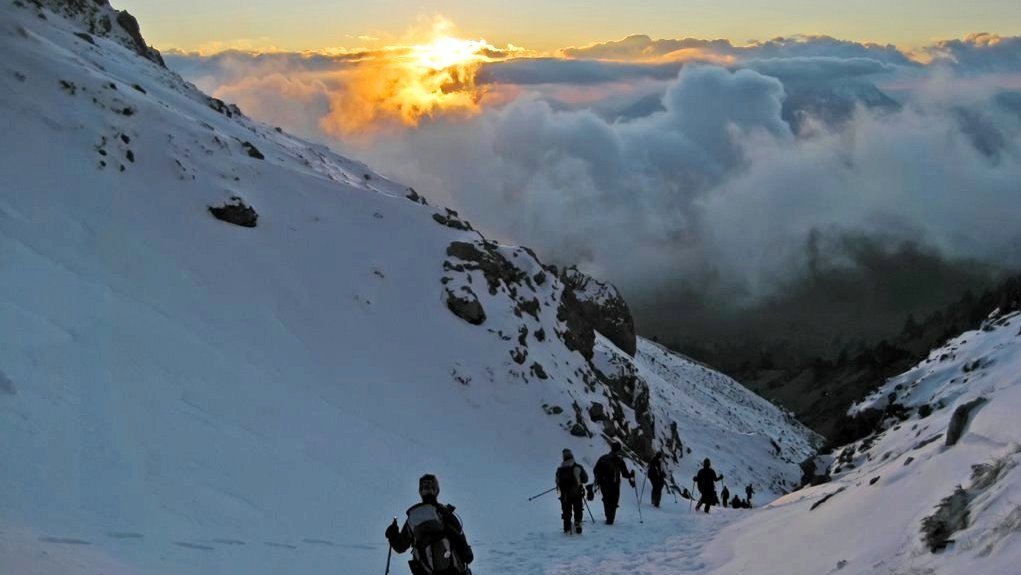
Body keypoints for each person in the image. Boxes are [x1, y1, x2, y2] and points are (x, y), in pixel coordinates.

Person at [385, 474, 474, 575]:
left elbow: (400, 546)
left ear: (420, 491)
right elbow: (467, 555)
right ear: (436, 490)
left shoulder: (413, 518)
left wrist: (392, 534)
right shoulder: (445, 513)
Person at [593, 441, 636, 524]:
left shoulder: (603, 458)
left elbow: (595, 470)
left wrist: (599, 480)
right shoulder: (619, 460)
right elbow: (624, 474)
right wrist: (631, 475)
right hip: (615, 484)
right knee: (613, 501)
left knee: (607, 500)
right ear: (618, 450)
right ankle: (610, 518)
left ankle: (609, 518)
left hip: (604, 484)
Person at [556, 449, 589, 534]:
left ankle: (567, 528)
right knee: (578, 509)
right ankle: (577, 524)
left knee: (566, 511)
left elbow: (557, 481)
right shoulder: (577, 466)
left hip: (564, 494)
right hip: (576, 492)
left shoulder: (560, 469)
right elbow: (585, 479)